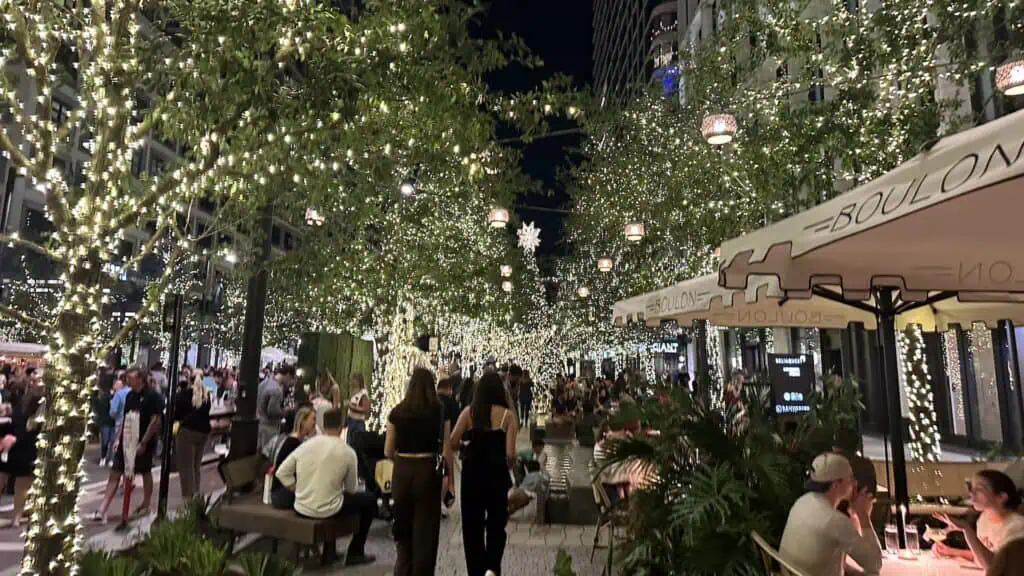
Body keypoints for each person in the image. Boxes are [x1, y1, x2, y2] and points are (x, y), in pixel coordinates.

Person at [275, 408, 376, 566]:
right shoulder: (348, 452)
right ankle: (355, 552)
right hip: (328, 508)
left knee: (331, 495)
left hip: (301, 506)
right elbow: (351, 489)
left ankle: (330, 552)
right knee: (369, 500)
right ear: (342, 426)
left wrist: (297, 488)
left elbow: (281, 473)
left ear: (323, 424)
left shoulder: (306, 445)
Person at [385, 368, 452, 575]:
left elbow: (388, 450)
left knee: (403, 531)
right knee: (426, 533)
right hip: (427, 469)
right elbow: (446, 446)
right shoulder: (437, 410)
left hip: (402, 471)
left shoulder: (397, 412)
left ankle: (402, 569)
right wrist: (450, 482)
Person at [451, 373, 517, 576]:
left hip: (472, 476)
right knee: (497, 526)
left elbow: (453, 441)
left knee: (472, 527)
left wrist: (465, 444)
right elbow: (510, 454)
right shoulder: (507, 416)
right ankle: (492, 569)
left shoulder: (469, 413)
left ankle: (475, 571)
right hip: (496, 476)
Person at [779, 452, 882, 576]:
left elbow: (821, 557)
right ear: (836, 484)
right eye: (850, 478)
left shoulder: (802, 502)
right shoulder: (834, 520)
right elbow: (875, 564)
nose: (855, 483)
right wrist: (863, 515)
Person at [94, 367, 165, 523]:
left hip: (143, 440)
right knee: (116, 471)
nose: (127, 380)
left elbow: (156, 420)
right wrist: (119, 438)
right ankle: (103, 507)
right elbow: (125, 418)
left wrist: (144, 442)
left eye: (130, 378)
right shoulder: (130, 396)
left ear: (140, 379)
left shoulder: (153, 396)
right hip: (127, 438)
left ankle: (146, 503)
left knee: (145, 471)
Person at [934, 470, 1024, 570]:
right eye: (971, 488)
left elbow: (996, 568)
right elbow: (983, 556)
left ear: (1001, 497)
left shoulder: (1017, 527)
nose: (971, 493)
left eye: (980, 489)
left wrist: (967, 530)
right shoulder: (983, 519)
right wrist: (950, 551)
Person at [0, 378, 43, 527]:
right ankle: (17, 517)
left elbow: (12, 423)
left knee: (4, 479)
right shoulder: (39, 414)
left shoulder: (19, 408)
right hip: (28, 450)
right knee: (23, 485)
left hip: (11, 449)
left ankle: (17, 517)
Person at [270, 406, 316, 510]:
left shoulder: (298, 441)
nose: (315, 423)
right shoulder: (293, 443)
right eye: (313, 419)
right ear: (303, 421)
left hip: (283, 491)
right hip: (282, 494)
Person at [174, 373, 212, 501]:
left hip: (187, 432)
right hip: (203, 432)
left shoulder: (182, 395)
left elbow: (175, 414)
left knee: (186, 468)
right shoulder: (206, 395)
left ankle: (188, 500)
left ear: (189, 380)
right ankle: (196, 495)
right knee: (196, 466)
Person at [437, 377, 460, 517]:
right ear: (449, 389)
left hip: (430, 445)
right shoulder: (452, 403)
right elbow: (456, 425)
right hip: (445, 443)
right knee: (445, 473)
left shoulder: (430, 401)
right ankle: (441, 502)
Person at [257, 366, 288, 453]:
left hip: (259, 424)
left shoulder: (263, 383)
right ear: (288, 375)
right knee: (267, 454)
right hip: (269, 427)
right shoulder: (276, 389)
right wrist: (285, 412)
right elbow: (272, 411)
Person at [92, 383, 115, 467]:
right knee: (107, 441)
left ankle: (108, 458)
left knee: (111, 441)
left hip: (111, 422)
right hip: (106, 422)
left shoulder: (111, 397)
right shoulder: (103, 399)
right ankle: (105, 458)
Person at [346, 373, 370, 443]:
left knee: (356, 444)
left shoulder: (363, 394)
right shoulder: (356, 392)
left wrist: (352, 407)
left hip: (357, 423)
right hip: (351, 421)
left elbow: (366, 409)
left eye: (354, 380)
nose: (352, 382)